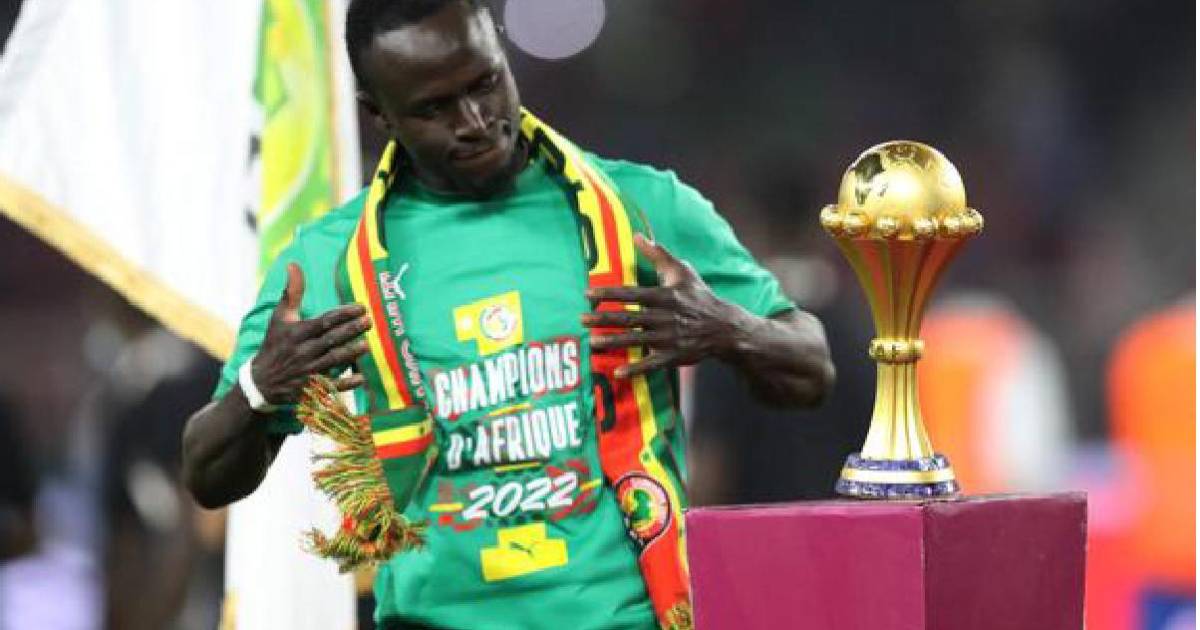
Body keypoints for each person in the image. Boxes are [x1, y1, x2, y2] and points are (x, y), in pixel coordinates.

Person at [181, 1, 834, 628]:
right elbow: (207, 475)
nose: (474, 120)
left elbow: (812, 367)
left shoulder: (640, 207)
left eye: (485, 83)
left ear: (500, 52)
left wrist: (726, 328)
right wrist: (261, 388)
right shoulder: (329, 262)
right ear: (379, 114)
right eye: (434, 108)